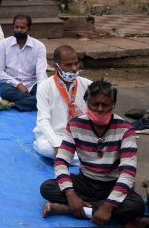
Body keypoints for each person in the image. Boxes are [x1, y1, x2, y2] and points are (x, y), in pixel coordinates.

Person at [40, 80, 144, 226]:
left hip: (111, 184)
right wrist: (70, 194)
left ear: (113, 105)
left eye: (105, 105)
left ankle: (70, 210)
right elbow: (61, 161)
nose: (100, 109)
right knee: (47, 187)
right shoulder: (75, 125)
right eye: (95, 104)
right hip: (86, 182)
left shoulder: (126, 129)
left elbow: (128, 172)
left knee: (137, 205)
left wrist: (108, 207)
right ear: (87, 103)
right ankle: (95, 209)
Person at [33, 45, 91, 161]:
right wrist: (56, 144)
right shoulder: (45, 87)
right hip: (56, 136)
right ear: (56, 66)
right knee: (46, 148)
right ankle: (86, 162)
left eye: (76, 63)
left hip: (81, 135)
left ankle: (68, 159)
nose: (74, 68)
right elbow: (43, 120)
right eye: (68, 65)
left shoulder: (88, 85)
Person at [0, 14, 48, 112]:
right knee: (6, 92)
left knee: (47, 94)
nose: (19, 30)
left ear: (29, 29)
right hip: (11, 83)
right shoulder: (4, 44)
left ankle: (11, 104)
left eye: (22, 28)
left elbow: (41, 73)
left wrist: (41, 91)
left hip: (32, 83)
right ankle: (34, 100)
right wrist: (18, 84)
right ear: (13, 27)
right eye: (16, 27)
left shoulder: (39, 47)